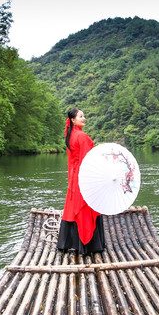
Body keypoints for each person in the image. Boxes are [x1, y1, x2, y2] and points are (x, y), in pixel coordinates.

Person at [57, 108, 105, 254]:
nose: (84, 118)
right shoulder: (82, 136)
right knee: (86, 206)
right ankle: (90, 245)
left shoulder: (70, 135)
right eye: (80, 116)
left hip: (74, 174)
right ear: (73, 119)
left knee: (74, 205)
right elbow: (87, 160)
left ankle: (69, 243)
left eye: (84, 116)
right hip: (83, 174)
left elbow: (74, 160)